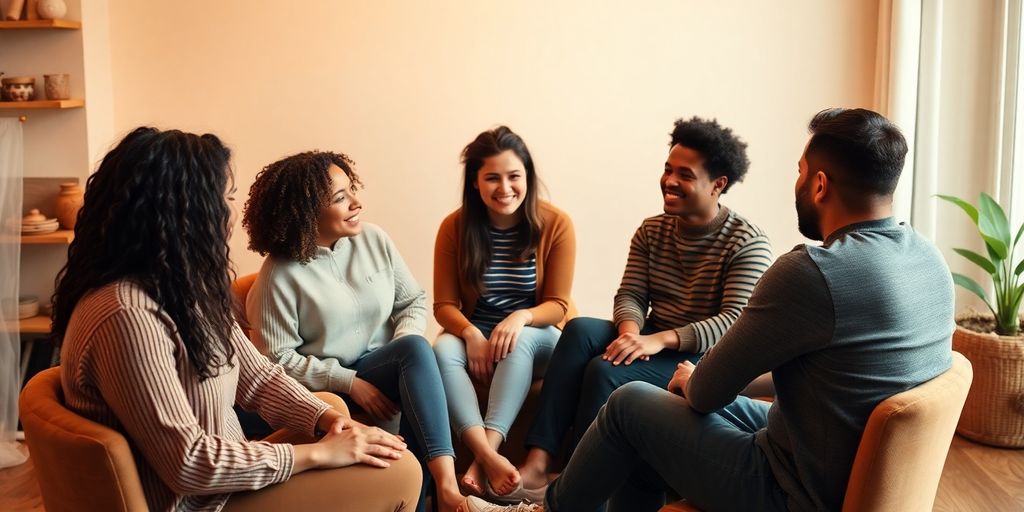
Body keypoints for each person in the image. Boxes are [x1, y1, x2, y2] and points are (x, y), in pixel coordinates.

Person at [469, 107, 956, 512]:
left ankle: (549, 509)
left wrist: (692, 381)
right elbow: (820, 371)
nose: (799, 184)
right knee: (646, 399)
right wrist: (689, 376)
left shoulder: (813, 271)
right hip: (833, 455)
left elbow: (704, 394)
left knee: (629, 404)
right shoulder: (929, 260)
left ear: (821, 185)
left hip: (795, 489)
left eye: (801, 174)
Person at [54, 127, 420, 512]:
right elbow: (188, 464)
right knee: (402, 474)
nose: (232, 212)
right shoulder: (127, 316)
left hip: (226, 476)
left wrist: (326, 420)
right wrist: (318, 455)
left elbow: (257, 378)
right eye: (224, 199)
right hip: (199, 501)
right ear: (181, 212)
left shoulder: (182, 288)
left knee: (334, 410)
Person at [513, 117, 773, 501]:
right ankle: (537, 462)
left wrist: (659, 340)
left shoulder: (747, 243)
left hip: (701, 360)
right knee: (581, 329)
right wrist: (631, 333)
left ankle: (578, 487)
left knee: (606, 368)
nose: (669, 181)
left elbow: (732, 323)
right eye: (668, 169)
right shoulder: (653, 230)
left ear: (718, 184)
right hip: (651, 337)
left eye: (685, 174)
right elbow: (631, 294)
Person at [243, 151, 468, 512]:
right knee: (413, 358)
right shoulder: (278, 276)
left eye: (352, 190)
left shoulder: (374, 239)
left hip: (381, 363)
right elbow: (276, 361)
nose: (356, 202)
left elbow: (412, 301)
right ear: (306, 213)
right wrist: (349, 382)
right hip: (324, 390)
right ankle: (439, 496)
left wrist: (402, 343)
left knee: (413, 351)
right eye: (340, 198)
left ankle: (441, 490)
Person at [433, 126, 576, 498]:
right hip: (478, 330)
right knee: (441, 351)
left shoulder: (555, 224)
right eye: (492, 178)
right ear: (475, 183)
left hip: (538, 334)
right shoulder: (454, 226)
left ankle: (484, 457)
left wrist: (520, 317)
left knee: (520, 340)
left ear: (527, 176)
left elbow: (558, 304)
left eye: (514, 176)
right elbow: (444, 305)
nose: (505, 188)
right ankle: (484, 453)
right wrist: (470, 334)